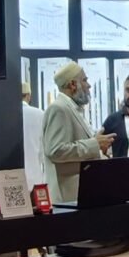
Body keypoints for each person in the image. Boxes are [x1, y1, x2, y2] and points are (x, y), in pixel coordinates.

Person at [42, 62, 115, 203]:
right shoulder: (59, 108)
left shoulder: (73, 108)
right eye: (85, 80)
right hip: (67, 195)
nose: (89, 85)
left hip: (82, 193)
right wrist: (94, 144)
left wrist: (100, 148)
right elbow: (55, 150)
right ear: (73, 84)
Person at [21, 81, 45, 188]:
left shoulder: (6, 115)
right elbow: (44, 150)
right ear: (28, 96)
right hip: (35, 176)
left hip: (11, 178)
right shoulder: (39, 114)